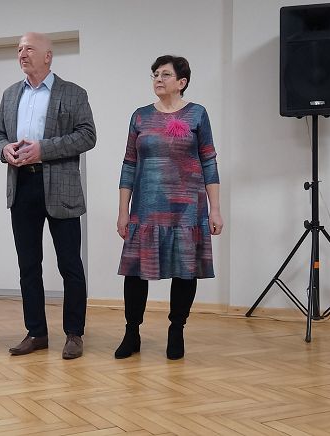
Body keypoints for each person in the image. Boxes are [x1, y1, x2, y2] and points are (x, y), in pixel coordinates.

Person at [0, 32, 96, 359]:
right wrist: (4, 149)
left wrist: (43, 150)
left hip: (61, 188)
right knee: (28, 266)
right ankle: (36, 332)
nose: (22, 54)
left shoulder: (73, 93)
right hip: (22, 186)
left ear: (48, 56)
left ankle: (74, 334)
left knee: (70, 265)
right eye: (19, 49)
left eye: (29, 49)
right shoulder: (10, 94)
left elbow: (87, 136)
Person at [115, 55, 223, 360]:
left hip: (187, 209)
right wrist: (123, 211)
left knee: (185, 271)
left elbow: (209, 161)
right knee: (136, 273)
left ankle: (177, 330)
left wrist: (215, 209)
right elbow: (129, 164)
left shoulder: (197, 114)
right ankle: (132, 332)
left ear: (181, 82)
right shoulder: (140, 116)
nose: (158, 79)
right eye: (155, 75)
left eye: (165, 74)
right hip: (146, 207)